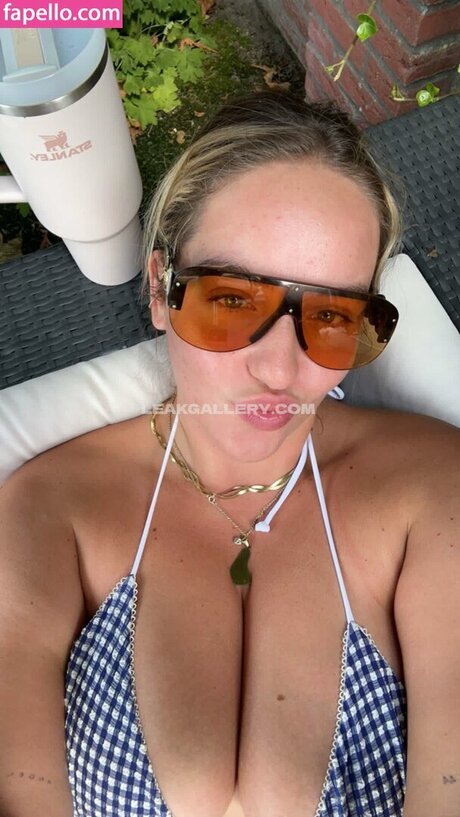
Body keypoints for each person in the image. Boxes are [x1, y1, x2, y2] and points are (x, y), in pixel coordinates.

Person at [0, 90, 459, 817]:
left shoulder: (431, 487)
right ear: (160, 290)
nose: (280, 369)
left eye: (332, 314)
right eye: (233, 300)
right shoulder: (50, 507)